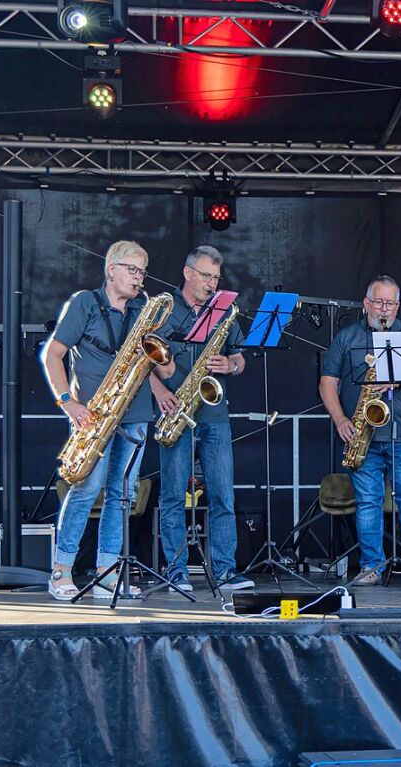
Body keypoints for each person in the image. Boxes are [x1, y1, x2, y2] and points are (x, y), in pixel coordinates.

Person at [41, 240, 175, 601]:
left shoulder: (141, 311)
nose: (138, 277)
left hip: (135, 416)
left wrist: (161, 356)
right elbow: (53, 355)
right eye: (132, 270)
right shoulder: (84, 303)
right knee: (86, 490)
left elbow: (168, 368)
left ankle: (106, 573)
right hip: (93, 415)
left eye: (142, 272)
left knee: (122, 496)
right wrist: (68, 402)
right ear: (111, 268)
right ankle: (61, 570)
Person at [319, 275, 401, 586]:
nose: (384, 309)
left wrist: (397, 380)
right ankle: (371, 565)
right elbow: (328, 383)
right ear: (366, 303)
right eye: (379, 302)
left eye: (390, 303)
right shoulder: (347, 337)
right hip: (363, 434)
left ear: (398, 305)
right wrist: (341, 420)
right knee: (368, 501)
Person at [150, 245, 254, 593]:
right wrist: (160, 392)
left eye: (216, 277)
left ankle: (225, 570)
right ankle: (176, 571)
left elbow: (240, 361)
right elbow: (141, 359)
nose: (212, 283)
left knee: (223, 494)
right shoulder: (164, 310)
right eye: (207, 276)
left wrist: (232, 365)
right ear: (188, 272)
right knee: (173, 495)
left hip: (214, 413)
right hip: (175, 409)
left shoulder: (224, 311)